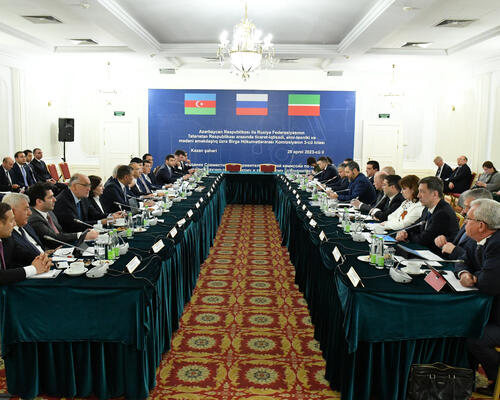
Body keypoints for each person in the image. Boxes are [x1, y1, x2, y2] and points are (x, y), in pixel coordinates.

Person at [453, 199, 500, 396]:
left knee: (475, 338)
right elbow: (461, 259)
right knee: (463, 325)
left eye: (468, 219)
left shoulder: (497, 244)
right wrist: (465, 273)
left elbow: (489, 283)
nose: (464, 222)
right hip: (490, 309)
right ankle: (466, 377)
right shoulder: (478, 239)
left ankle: (497, 380)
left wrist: (476, 276)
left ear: (481, 225)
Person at [396, 176, 459, 254]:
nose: (418, 195)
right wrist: (404, 231)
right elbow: (416, 225)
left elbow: (424, 240)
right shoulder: (428, 207)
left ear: (435, 194)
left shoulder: (442, 213)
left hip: (437, 256)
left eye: (422, 192)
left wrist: (407, 236)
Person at [27, 183, 98, 249]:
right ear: (39, 201)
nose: (55, 199)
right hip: (53, 252)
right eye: (50, 197)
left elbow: (61, 233)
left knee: (91, 247)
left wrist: (84, 235)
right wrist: (81, 235)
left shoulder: (49, 212)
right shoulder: (34, 218)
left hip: (64, 249)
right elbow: (53, 238)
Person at [0, 202, 52, 284]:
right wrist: (34, 269)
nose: (14, 224)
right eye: (11, 220)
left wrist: (42, 260)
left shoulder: (7, 239)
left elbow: (22, 255)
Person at [434, 188, 492, 260]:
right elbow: (457, 243)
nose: (463, 211)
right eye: (465, 207)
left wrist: (455, 251)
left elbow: (477, 261)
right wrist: (443, 241)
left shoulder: (487, 231)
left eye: (469, 207)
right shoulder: (469, 220)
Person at [2, 192, 46, 266]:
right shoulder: (7, 235)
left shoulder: (26, 225)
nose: (30, 213)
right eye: (26, 209)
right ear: (12, 211)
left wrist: (45, 253)